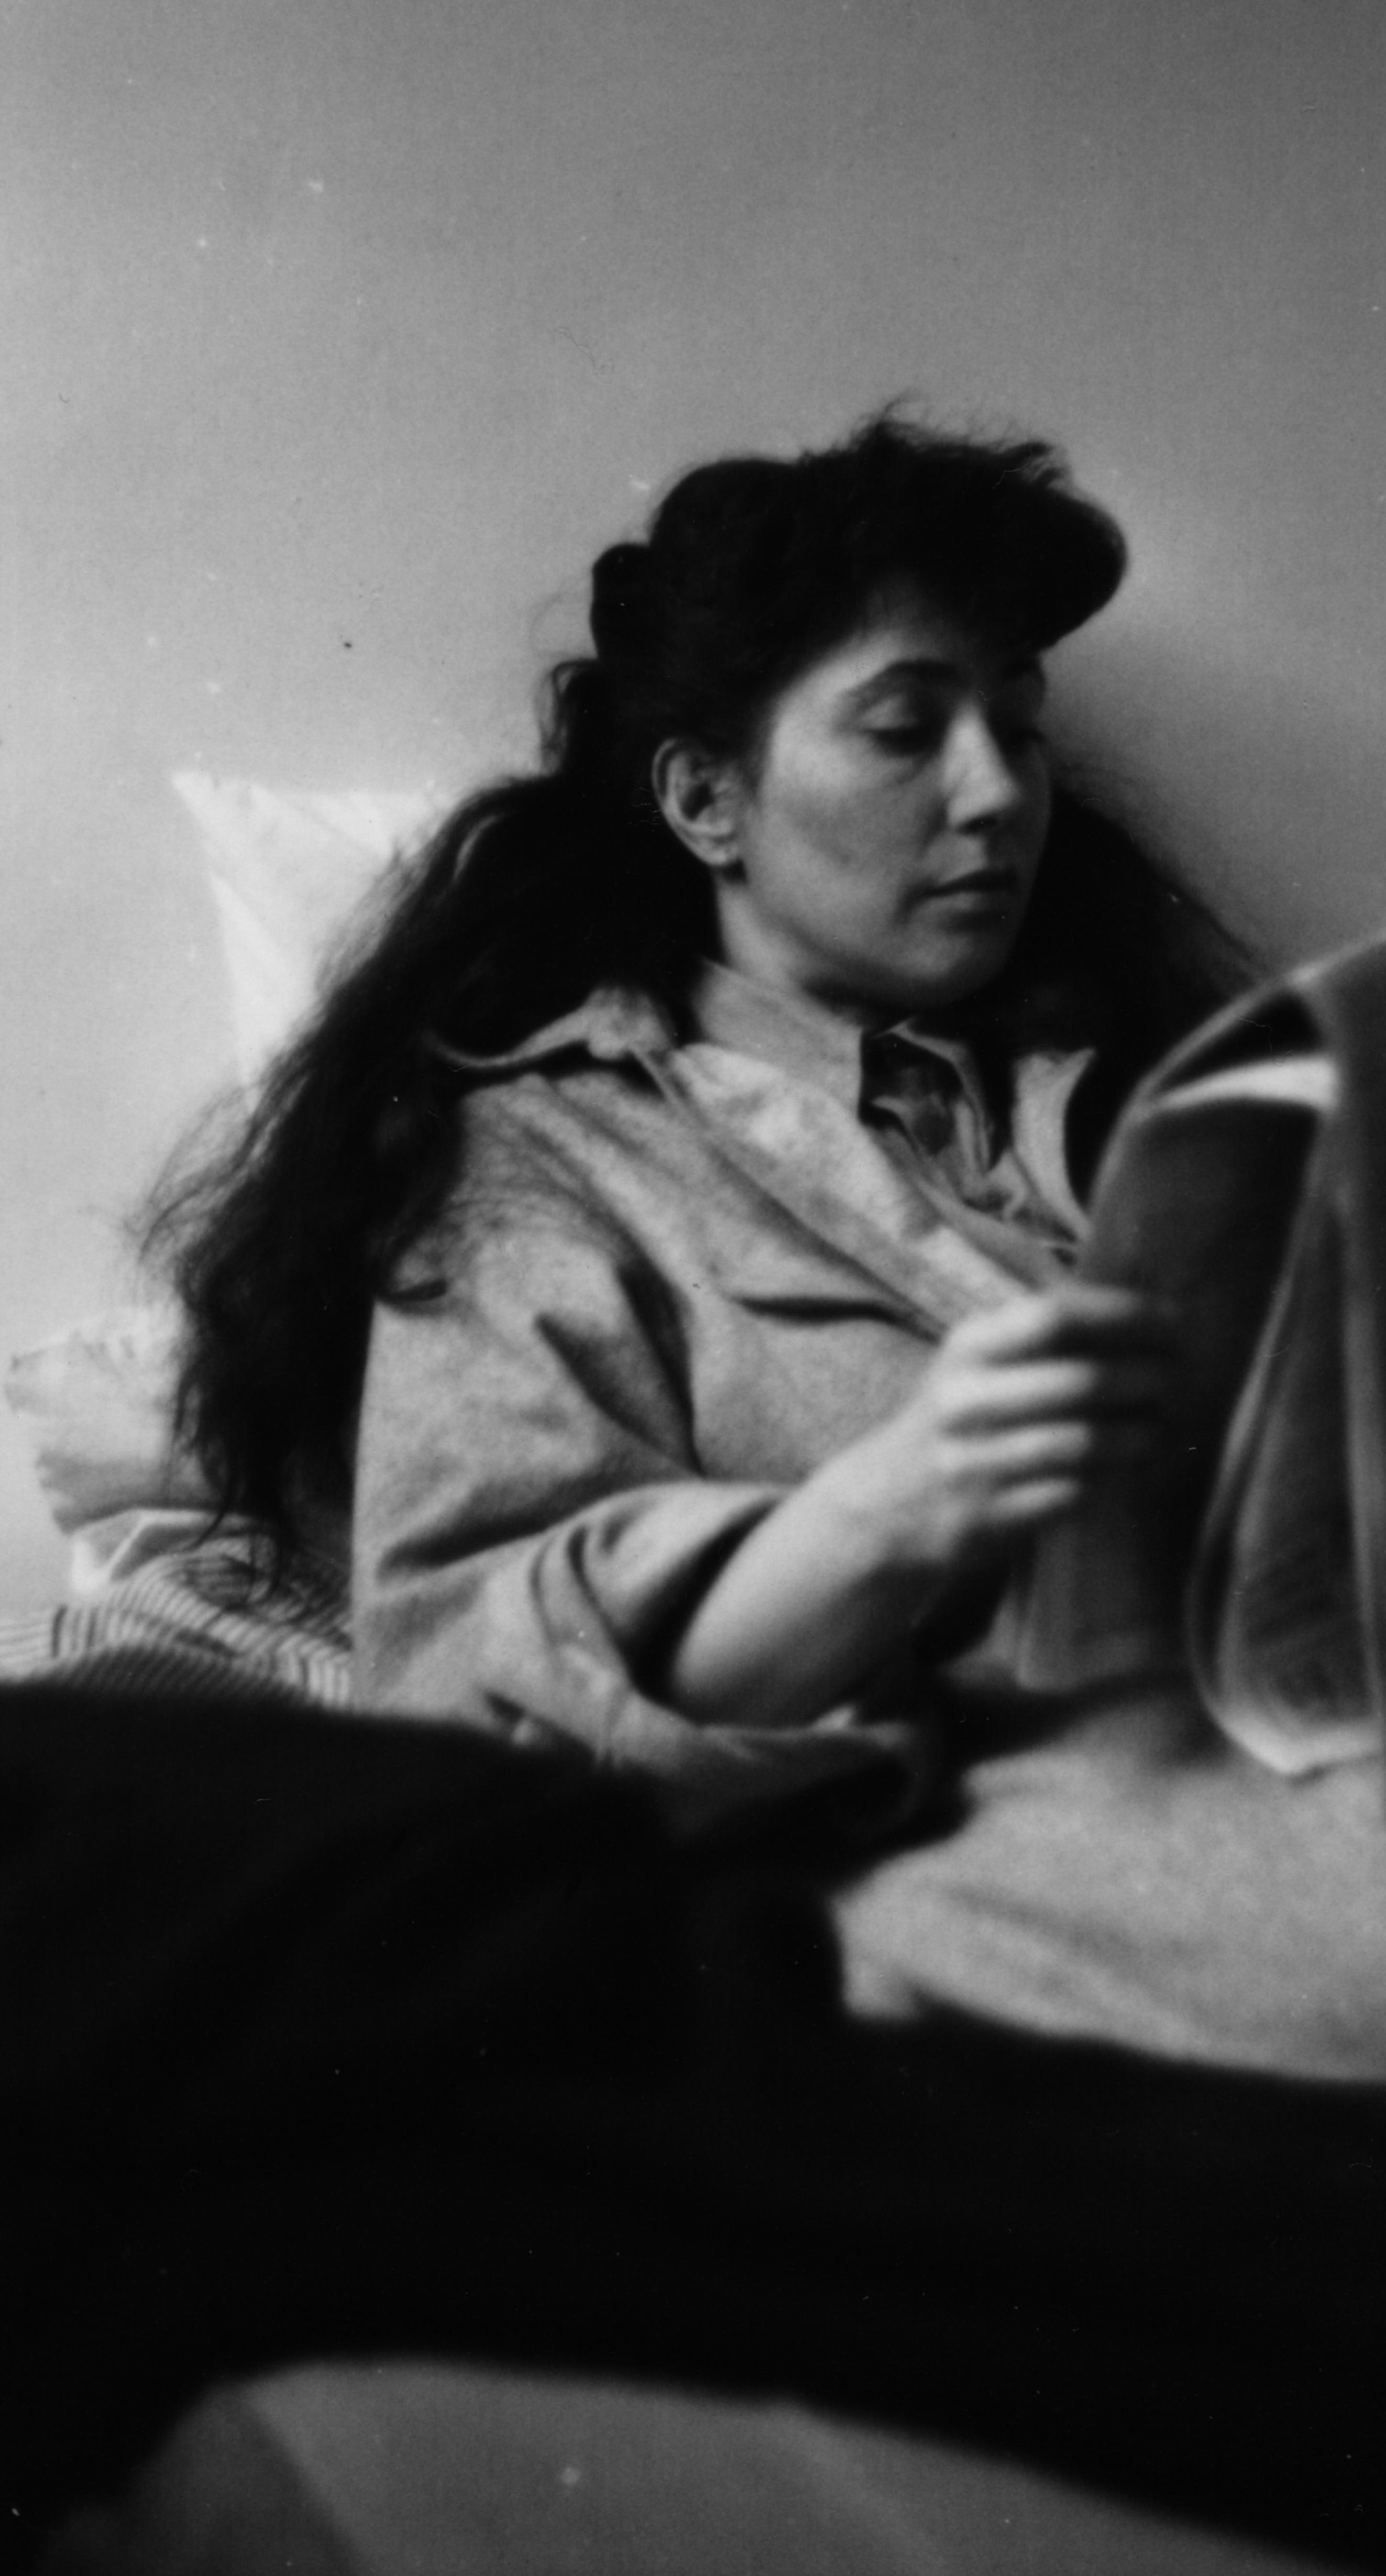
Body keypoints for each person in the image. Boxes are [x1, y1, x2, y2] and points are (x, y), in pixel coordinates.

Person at [150, 414, 1244, 1822]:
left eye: (1018, 727)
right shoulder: (543, 1178)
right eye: (908, 728)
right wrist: (890, 1514)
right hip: (1025, 1846)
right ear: (707, 798)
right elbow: (470, 1699)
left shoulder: (1138, 1097)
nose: (999, 793)